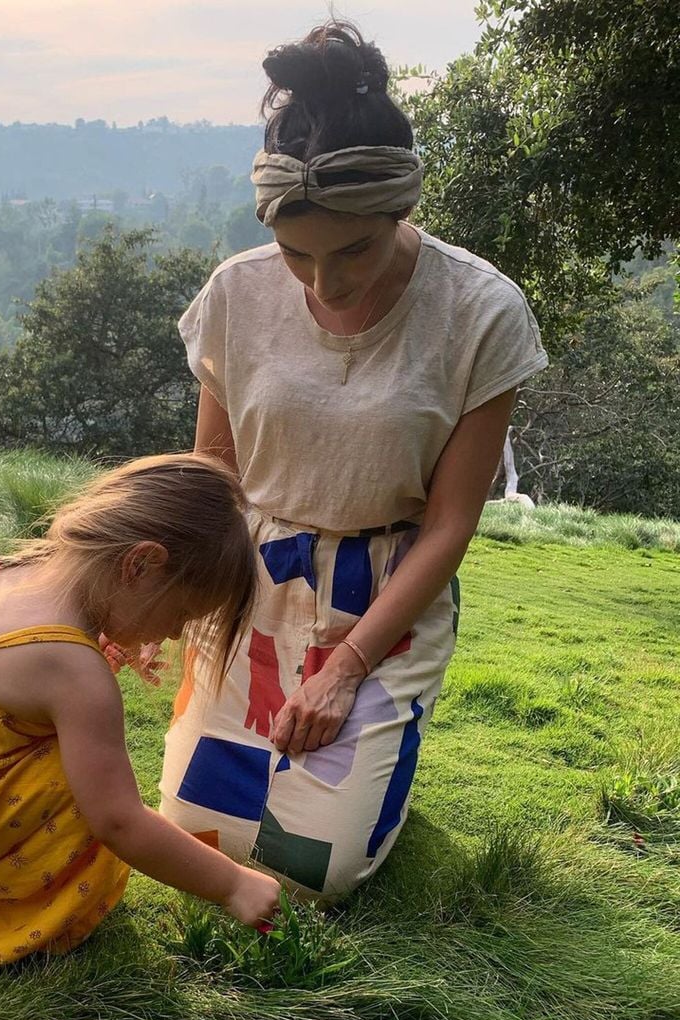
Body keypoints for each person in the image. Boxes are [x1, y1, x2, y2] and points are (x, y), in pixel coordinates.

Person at [158, 21, 549, 901]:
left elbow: (451, 524)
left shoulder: (480, 312)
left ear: (400, 210)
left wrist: (344, 668)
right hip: (252, 577)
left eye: (354, 251)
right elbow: (211, 480)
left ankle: (381, 754)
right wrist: (167, 596)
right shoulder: (235, 293)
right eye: (298, 253)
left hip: (384, 592)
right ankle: (339, 762)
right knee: (197, 832)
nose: (323, 284)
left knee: (314, 872)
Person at [0, 454, 281, 969]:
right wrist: (234, 884)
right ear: (140, 564)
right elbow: (119, 823)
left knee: (78, 756)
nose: (177, 633)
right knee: (91, 793)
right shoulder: (73, 669)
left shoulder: (16, 572)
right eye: (182, 613)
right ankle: (6, 922)